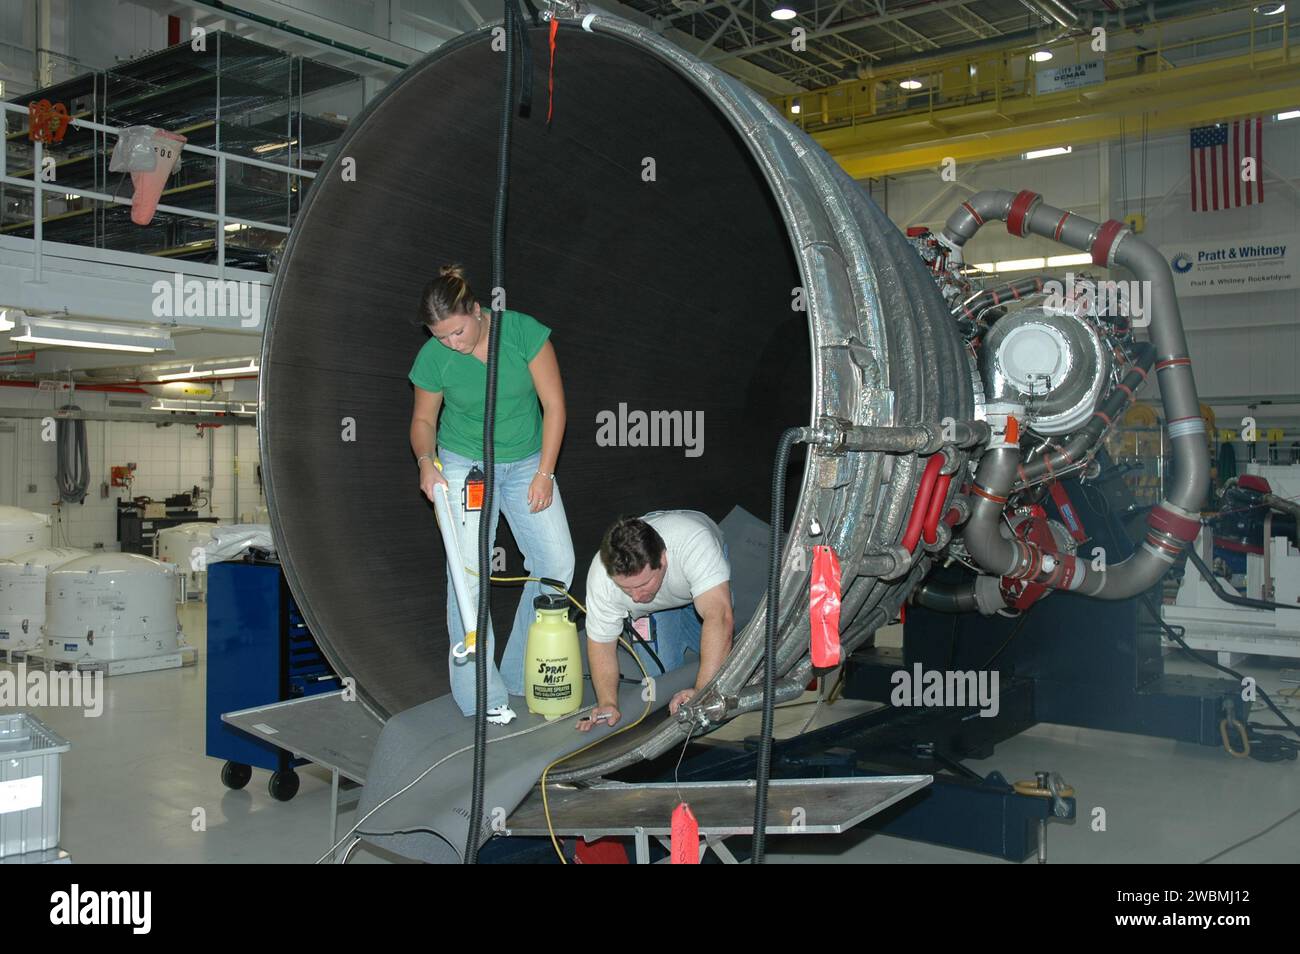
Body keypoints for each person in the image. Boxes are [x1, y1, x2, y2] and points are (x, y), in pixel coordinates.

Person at [409, 265, 574, 725]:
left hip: (527, 464)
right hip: (465, 463)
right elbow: (423, 422)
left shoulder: (523, 333)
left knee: (556, 565)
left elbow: (555, 406)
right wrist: (426, 462)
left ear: (477, 311)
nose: (453, 344)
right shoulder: (434, 357)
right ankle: (480, 693)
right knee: (467, 576)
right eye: (441, 337)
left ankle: (521, 670)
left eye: (458, 332)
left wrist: (546, 471)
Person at [577, 512, 733, 732]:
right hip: (657, 608)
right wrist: (608, 704)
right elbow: (601, 644)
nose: (636, 597)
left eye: (643, 584)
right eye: (626, 589)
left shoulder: (693, 542)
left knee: (728, 659)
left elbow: (719, 617)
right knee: (664, 683)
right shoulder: (601, 576)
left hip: (697, 580)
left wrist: (702, 691)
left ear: (663, 559)